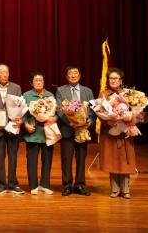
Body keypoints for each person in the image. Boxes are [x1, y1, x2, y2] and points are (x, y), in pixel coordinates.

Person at [0, 63, 24, 195]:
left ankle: (13, 184)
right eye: (2, 72)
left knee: (13, 157)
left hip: (12, 127)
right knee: (0, 158)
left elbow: (20, 106)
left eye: (7, 72)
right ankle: (1, 184)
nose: (5, 74)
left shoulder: (16, 87)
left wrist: (20, 119)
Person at [55, 65, 95, 196]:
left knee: (81, 158)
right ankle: (66, 185)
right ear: (66, 76)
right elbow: (59, 110)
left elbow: (92, 109)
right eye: (70, 73)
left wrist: (89, 121)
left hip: (83, 130)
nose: (73, 75)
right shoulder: (61, 90)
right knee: (66, 158)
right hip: (67, 129)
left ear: (80, 75)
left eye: (75, 73)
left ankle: (80, 185)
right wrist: (72, 123)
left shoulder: (87, 91)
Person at [99, 67, 137, 199]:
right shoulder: (104, 94)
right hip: (110, 131)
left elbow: (136, 112)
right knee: (112, 159)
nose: (113, 81)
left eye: (116, 78)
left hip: (125, 131)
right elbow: (99, 113)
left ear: (121, 80)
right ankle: (114, 189)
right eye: (111, 78)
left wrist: (129, 119)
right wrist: (110, 121)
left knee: (125, 160)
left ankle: (125, 189)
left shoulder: (128, 94)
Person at [22, 70, 56, 195]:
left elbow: (56, 112)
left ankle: (45, 185)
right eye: (36, 80)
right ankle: (33, 186)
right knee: (32, 161)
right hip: (33, 133)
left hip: (48, 133)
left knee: (47, 160)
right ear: (31, 83)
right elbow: (22, 113)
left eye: (40, 80)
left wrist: (54, 118)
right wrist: (26, 124)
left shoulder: (50, 95)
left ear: (44, 82)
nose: (38, 82)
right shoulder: (26, 95)